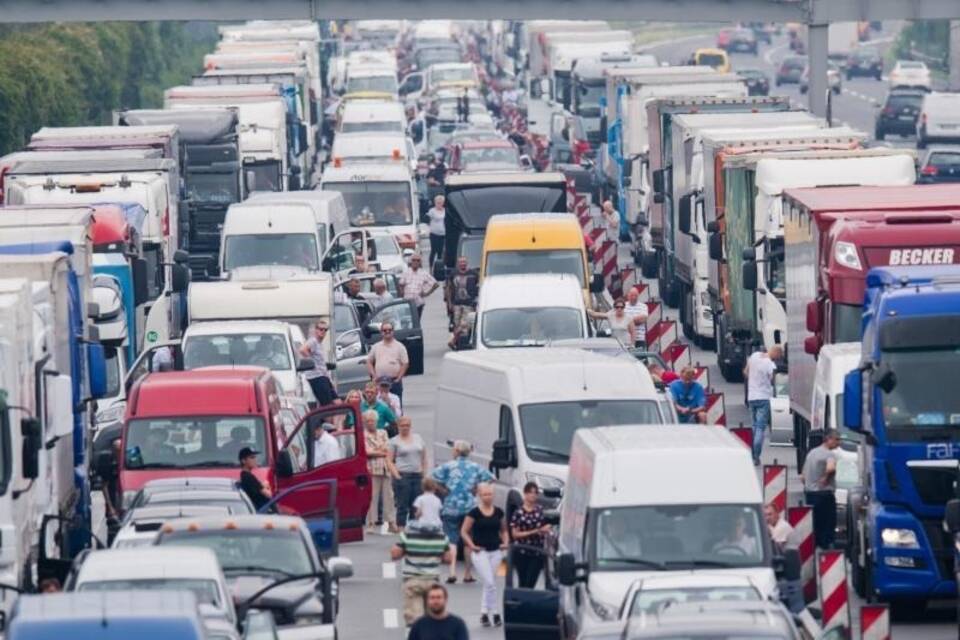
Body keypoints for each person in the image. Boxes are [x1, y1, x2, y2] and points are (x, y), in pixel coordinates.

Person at [431, 441, 494, 584]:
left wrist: (443, 490)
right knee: (468, 540)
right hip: (469, 507)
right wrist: (476, 489)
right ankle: (467, 573)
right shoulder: (475, 467)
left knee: (452, 540)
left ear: (457, 451)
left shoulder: (448, 466)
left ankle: (452, 571)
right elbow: (491, 478)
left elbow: (431, 477)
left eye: (454, 449)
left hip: (451, 505)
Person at [460, 483, 509, 627]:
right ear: (479, 496)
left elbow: (504, 530)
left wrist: (505, 542)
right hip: (480, 552)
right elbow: (464, 531)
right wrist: (471, 545)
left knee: (490, 584)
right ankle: (495, 613)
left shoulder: (499, 512)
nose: (488, 497)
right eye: (485, 494)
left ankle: (483, 614)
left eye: (490, 494)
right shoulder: (474, 513)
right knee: (490, 583)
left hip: (496, 551)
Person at [391, 521, 451, 627]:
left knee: (415, 620)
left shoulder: (408, 534)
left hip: (412, 580)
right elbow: (448, 558)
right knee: (433, 619)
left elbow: (395, 554)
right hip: (433, 581)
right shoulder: (442, 536)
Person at [801, 429, 840, 549]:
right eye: (837, 439)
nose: (839, 443)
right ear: (828, 439)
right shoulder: (829, 454)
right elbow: (830, 468)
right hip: (824, 494)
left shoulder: (812, 453)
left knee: (815, 524)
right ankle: (826, 551)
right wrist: (825, 478)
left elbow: (803, 476)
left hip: (810, 493)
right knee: (827, 524)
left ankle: (814, 548)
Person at [745, 345, 782, 465]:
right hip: (764, 397)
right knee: (760, 427)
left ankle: (751, 453)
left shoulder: (754, 356)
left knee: (754, 426)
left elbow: (746, 371)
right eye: (778, 357)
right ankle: (755, 456)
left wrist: (753, 380)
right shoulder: (770, 364)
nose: (777, 359)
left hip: (751, 397)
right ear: (776, 353)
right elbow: (774, 380)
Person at [509, 482, 551, 588]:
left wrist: (546, 530)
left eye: (535, 492)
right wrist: (535, 531)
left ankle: (528, 600)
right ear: (525, 494)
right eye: (530, 492)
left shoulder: (540, 510)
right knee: (522, 581)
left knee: (531, 581)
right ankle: (521, 602)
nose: (533, 495)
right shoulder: (518, 513)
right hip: (522, 551)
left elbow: (547, 527)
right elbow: (515, 534)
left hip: (537, 551)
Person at [390, 417, 428, 527]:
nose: (405, 428)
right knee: (402, 505)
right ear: (398, 427)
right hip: (403, 475)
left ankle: (414, 529)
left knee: (416, 505)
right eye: (402, 425)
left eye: (407, 425)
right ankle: (401, 530)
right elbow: (389, 460)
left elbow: (424, 457)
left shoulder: (418, 438)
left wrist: (424, 473)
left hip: (417, 475)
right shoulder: (394, 441)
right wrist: (396, 475)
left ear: (410, 426)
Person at [365, 409, 398, 534]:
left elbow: (388, 448)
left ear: (376, 421)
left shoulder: (383, 432)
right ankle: (371, 523)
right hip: (372, 468)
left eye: (372, 421)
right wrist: (381, 450)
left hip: (385, 467)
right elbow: (367, 452)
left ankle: (391, 522)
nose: (370, 423)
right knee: (372, 497)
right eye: (368, 421)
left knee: (389, 496)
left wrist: (377, 450)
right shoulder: (363, 434)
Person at [367, 321, 410, 401]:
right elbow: (369, 361)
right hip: (379, 382)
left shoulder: (400, 346)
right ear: (381, 332)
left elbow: (405, 363)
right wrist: (374, 375)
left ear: (393, 331)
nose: (387, 332)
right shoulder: (376, 346)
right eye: (385, 330)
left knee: (396, 408)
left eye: (389, 330)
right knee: (379, 407)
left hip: (394, 382)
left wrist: (399, 378)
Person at [299, 321, 337, 406]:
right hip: (317, 377)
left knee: (337, 402)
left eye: (325, 330)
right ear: (316, 330)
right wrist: (312, 362)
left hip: (323, 375)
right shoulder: (313, 341)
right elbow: (302, 350)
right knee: (327, 405)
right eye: (321, 329)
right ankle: (326, 418)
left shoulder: (319, 344)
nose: (323, 331)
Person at [444, 256, 478, 348]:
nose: (462, 264)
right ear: (458, 264)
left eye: (464, 262)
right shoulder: (453, 274)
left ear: (467, 263)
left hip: (469, 304)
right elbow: (448, 288)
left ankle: (453, 340)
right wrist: (449, 303)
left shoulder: (473, 274)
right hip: (456, 303)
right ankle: (458, 343)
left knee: (465, 324)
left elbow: (478, 287)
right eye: (461, 262)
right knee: (456, 324)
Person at [400, 254, 439, 319]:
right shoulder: (406, 272)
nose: (415, 262)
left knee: (416, 321)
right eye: (413, 260)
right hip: (407, 302)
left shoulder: (423, 273)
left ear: (420, 262)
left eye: (418, 260)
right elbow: (401, 284)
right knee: (408, 321)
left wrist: (427, 293)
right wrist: (402, 294)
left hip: (418, 303)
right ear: (410, 262)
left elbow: (435, 284)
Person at [427, 195, 446, 267]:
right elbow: (428, 219)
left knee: (440, 252)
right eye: (438, 202)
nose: (439, 204)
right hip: (434, 234)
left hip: (443, 234)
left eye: (441, 202)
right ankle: (431, 266)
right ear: (435, 203)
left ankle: (439, 266)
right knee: (433, 250)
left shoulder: (445, 210)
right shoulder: (432, 211)